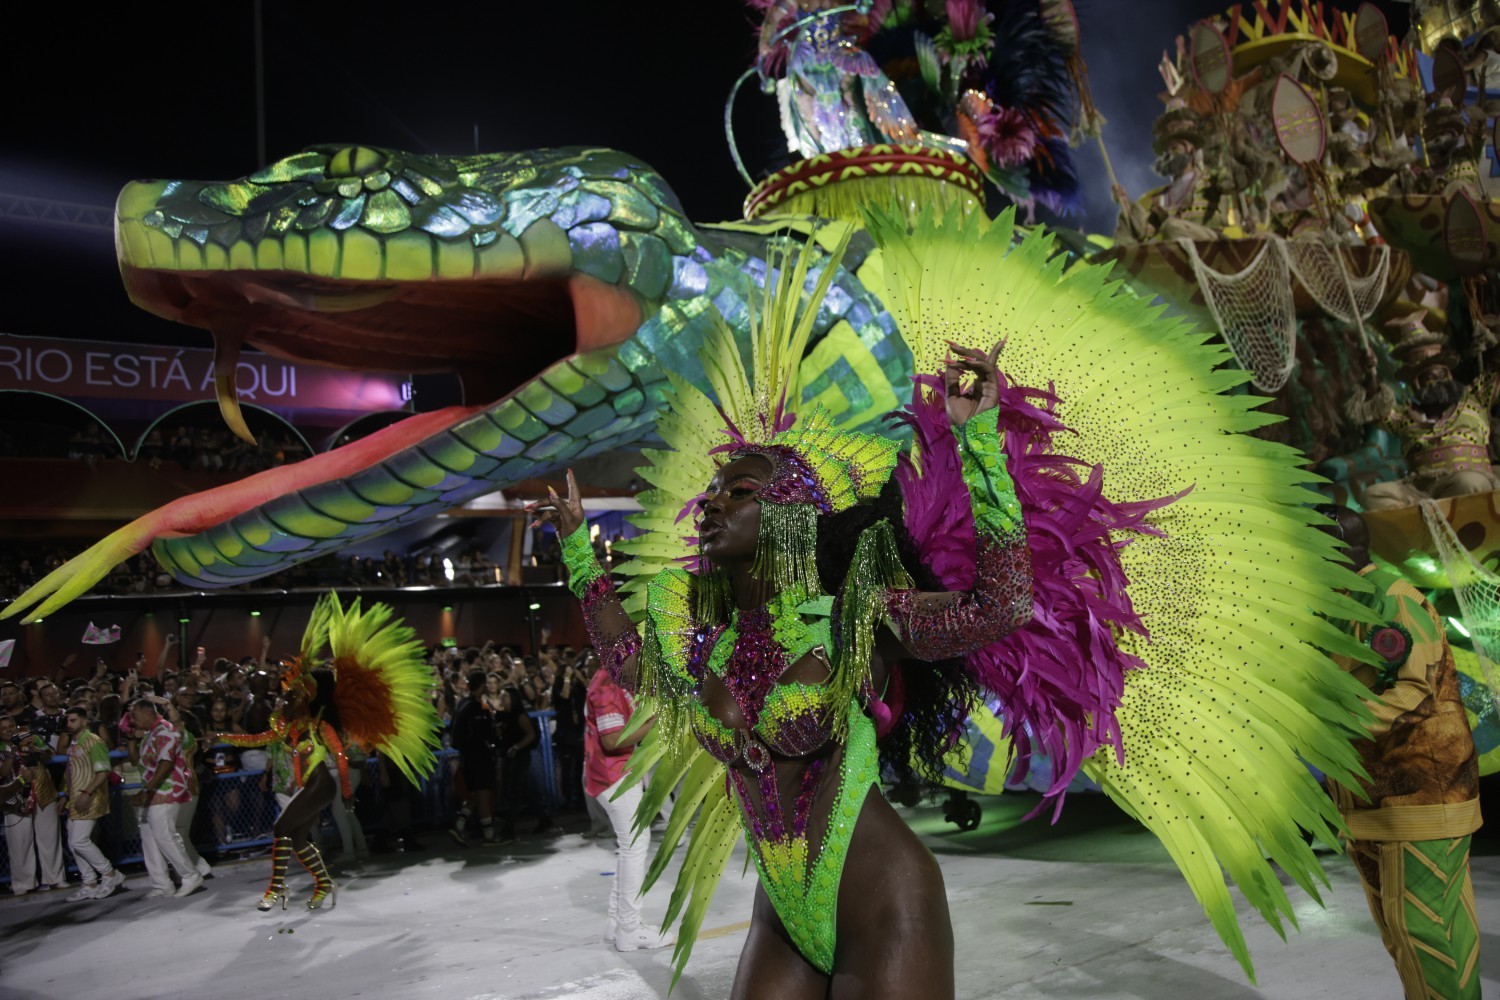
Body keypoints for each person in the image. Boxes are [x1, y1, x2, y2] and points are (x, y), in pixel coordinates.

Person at [528, 223, 1381, 994]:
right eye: (712, 492)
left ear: (789, 510)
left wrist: (979, 444)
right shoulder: (711, 647)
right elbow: (632, 665)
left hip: (881, 903)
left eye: (736, 490)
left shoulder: (855, 613)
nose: (709, 505)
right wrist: (575, 551)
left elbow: (998, 607)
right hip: (780, 908)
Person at [1318, 507, 1483, 999]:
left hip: (1419, 800)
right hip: (1375, 802)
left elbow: (1408, 691)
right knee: (1406, 935)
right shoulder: (1341, 598)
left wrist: (1322, 733)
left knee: (1428, 935)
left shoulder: (1390, 599)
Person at [215, 593, 440, 910]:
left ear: (309, 696)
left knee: (281, 829)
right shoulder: (291, 728)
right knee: (297, 838)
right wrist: (221, 736)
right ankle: (323, 884)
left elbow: (341, 757)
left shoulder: (321, 726)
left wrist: (346, 791)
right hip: (311, 786)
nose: (288, 696)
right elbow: (258, 738)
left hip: (322, 785)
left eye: (294, 693)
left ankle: (276, 889)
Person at [584, 657, 672, 951]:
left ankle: (616, 921)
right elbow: (612, 740)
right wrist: (656, 722)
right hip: (613, 776)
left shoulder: (611, 678)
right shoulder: (607, 683)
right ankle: (629, 929)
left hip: (613, 774)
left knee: (629, 846)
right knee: (635, 846)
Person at [127, 699, 204, 898]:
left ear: (147, 713)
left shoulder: (164, 730)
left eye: (134, 716)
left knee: (165, 834)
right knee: (149, 836)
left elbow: (166, 762)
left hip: (167, 789)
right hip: (153, 791)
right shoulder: (151, 734)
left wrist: (146, 790)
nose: (132, 721)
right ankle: (162, 884)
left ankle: (190, 876)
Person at [60, 706, 126, 901]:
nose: (68, 724)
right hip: (75, 799)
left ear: (84, 721)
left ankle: (109, 874)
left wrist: (87, 793)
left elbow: (104, 771)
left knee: (79, 840)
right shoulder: (73, 744)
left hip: (89, 797)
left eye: (73, 720)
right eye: (67, 721)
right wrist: (65, 796)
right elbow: (70, 774)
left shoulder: (93, 742)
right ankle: (89, 883)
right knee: (74, 843)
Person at [0, 715, 67, 895]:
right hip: (14, 799)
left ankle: (55, 878)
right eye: (3, 728)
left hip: (43, 792)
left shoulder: (30, 736)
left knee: (50, 837)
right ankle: (24, 883)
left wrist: (34, 749)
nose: (9, 730)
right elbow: (2, 773)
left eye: (11, 726)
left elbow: (48, 755)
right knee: (20, 843)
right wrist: (12, 753)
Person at [449, 670, 500, 846]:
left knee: (476, 796)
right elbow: (485, 733)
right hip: (478, 758)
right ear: (482, 685)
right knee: (484, 795)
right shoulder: (475, 708)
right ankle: (489, 836)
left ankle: (458, 827)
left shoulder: (462, 704)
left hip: (467, 758)